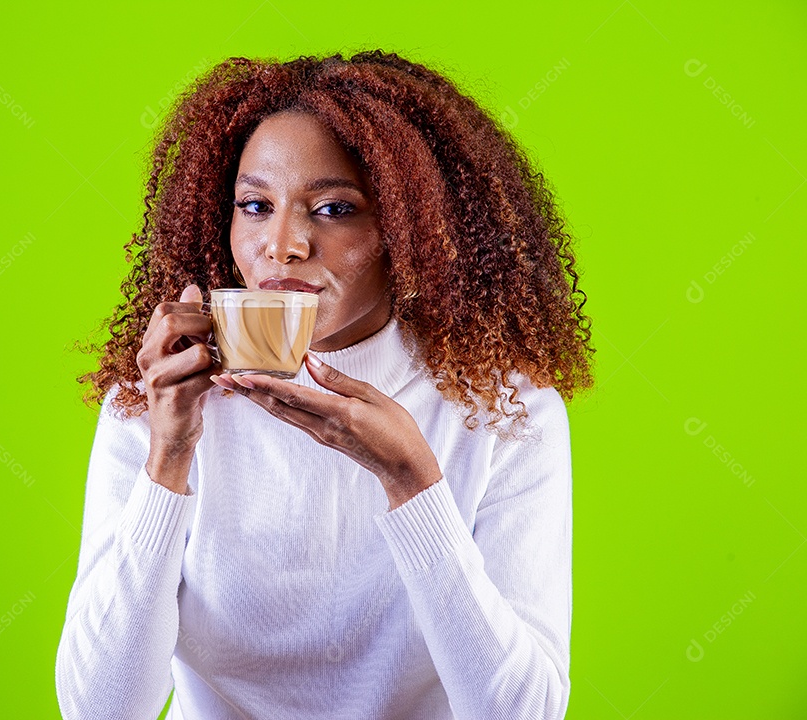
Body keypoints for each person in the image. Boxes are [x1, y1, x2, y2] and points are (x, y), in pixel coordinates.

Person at [56, 49, 594, 720]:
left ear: (413, 231)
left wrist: (412, 483)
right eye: (255, 205)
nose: (281, 245)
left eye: (335, 209)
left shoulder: (502, 410)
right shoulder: (157, 401)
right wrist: (168, 457)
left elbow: (522, 713)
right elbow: (100, 710)